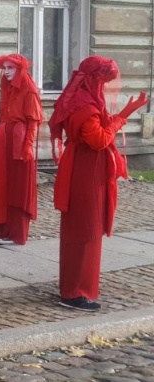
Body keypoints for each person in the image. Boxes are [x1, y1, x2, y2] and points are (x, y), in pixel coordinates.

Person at [48, 56, 147, 312]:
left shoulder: (83, 101)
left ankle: (72, 286)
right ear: (93, 80)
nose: (104, 87)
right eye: (102, 81)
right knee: (86, 229)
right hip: (86, 169)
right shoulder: (86, 107)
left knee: (80, 229)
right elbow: (100, 140)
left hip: (83, 166)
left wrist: (124, 113)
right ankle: (74, 291)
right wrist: (123, 117)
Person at [0, 54, 43, 245]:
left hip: (18, 142)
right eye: (5, 68)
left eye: (11, 68)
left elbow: (33, 121)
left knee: (17, 187)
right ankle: (3, 228)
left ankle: (17, 232)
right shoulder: (7, 88)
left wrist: (27, 147)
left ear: (20, 70)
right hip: (5, 140)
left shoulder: (29, 90)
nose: (7, 72)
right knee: (3, 185)